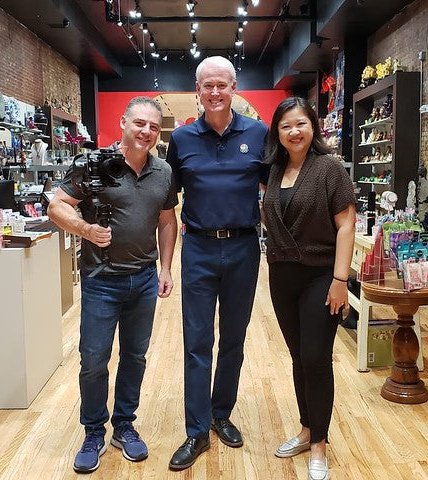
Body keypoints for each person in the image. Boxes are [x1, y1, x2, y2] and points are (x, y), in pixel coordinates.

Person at [47, 96, 178, 473]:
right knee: (94, 360)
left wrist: (166, 268)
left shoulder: (163, 173)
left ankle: (124, 425)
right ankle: (93, 430)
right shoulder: (92, 164)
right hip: (100, 281)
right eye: (139, 123)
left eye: (153, 126)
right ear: (123, 122)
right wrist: (85, 229)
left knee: (135, 357)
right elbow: (57, 205)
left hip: (143, 280)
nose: (146, 132)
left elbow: (167, 221)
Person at [166, 56, 269, 470]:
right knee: (196, 341)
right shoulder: (182, 139)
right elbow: (166, 199)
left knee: (233, 338)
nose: (214, 92)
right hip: (199, 250)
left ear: (233, 87)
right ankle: (196, 430)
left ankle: (222, 414)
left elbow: (278, 186)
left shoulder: (259, 133)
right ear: (198, 89)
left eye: (221, 85)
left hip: (244, 248)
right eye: (207, 85)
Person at [262, 96, 355, 480]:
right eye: (286, 126)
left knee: (317, 358)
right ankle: (306, 429)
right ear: (277, 132)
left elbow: (346, 225)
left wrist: (340, 280)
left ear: (313, 126)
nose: (294, 131)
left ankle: (320, 444)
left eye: (300, 123)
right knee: (299, 356)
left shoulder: (329, 170)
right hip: (283, 275)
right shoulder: (273, 170)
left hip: (321, 276)